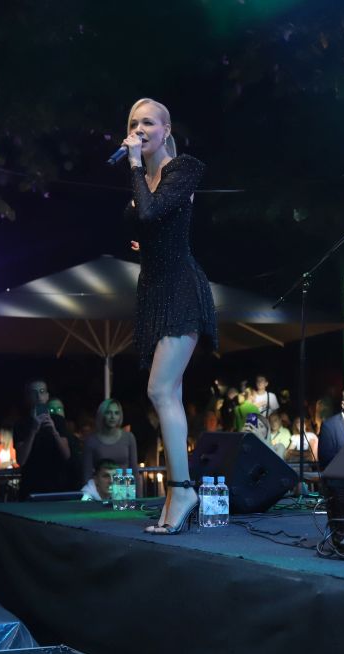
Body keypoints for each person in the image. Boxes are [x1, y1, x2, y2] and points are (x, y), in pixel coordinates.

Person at [121, 98, 218, 534]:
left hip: (181, 288)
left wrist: (133, 166)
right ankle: (177, 493)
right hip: (152, 291)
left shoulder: (183, 169)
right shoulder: (143, 179)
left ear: (165, 130)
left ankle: (181, 489)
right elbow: (140, 223)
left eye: (148, 123)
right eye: (133, 123)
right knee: (167, 394)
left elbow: (148, 212)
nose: (139, 129)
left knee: (160, 389)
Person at [14, 379, 78, 497]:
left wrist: (54, 431)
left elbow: (67, 455)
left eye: (42, 391)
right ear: (28, 397)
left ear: (47, 396)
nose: (38, 396)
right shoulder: (20, 424)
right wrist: (33, 431)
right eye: (34, 393)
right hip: (31, 488)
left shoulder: (58, 421)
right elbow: (21, 460)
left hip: (58, 486)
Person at [82, 399, 140, 493]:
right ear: (102, 415)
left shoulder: (129, 438)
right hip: (102, 494)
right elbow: (87, 475)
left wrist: (139, 497)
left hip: (125, 492)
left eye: (116, 413)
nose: (113, 417)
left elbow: (134, 470)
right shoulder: (91, 441)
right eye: (109, 412)